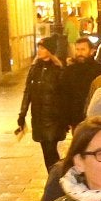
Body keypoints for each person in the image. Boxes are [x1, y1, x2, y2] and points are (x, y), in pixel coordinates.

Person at [17, 36, 67, 169]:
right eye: (38, 47)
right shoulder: (34, 68)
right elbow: (28, 92)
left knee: (51, 151)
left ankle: (56, 177)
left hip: (53, 119)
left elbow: (64, 95)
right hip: (38, 118)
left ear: (50, 50)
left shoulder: (58, 69)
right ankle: (55, 177)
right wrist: (22, 114)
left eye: (43, 48)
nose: (39, 50)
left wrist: (64, 119)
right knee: (46, 151)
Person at [59, 37, 101, 133]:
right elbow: (64, 96)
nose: (79, 53)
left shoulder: (100, 70)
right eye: (77, 49)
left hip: (95, 118)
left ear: (91, 51)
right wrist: (65, 120)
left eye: (83, 49)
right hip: (76, 119)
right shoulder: (69, 71)